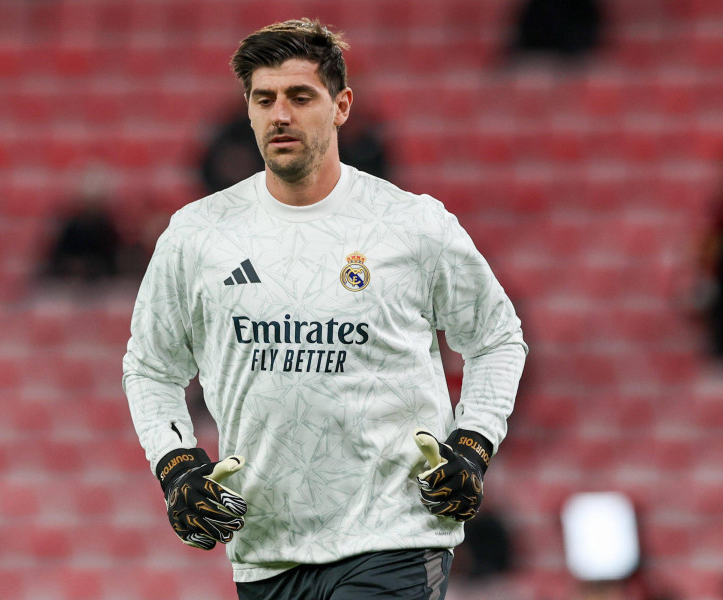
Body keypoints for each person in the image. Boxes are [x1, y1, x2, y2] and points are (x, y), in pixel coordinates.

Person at [123, 18, 527, 600]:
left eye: (300, 97)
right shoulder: (197, 235)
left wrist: (473, 444)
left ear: (342, 107)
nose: (280, 114)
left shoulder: (412, 226)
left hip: (393, 535)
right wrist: (176, 466)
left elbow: (496, 337)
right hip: (266, 547)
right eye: (264, 99)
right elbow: (150, 368)